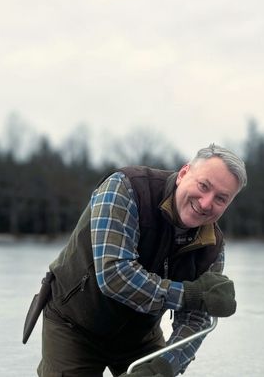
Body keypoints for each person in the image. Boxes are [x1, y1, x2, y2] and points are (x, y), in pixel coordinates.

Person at [25, 144, 247, 377]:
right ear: (183, 174)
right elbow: (115, 275)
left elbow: (195, 319)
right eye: (203, 186)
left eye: (221, 198)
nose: (205, 203)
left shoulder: (212, 246)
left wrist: (164, 366)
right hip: (73, 324)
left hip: (139, 336)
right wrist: (189, 295)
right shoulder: (126, 188)